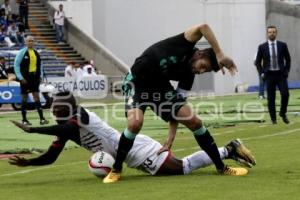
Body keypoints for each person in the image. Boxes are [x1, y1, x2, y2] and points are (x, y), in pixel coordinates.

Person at [104, 23, 243, 183]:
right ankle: (116, 169)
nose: (201, 71)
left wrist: (170, 139)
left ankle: (221, 167)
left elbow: (176, 110)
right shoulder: (184, 43)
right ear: (199, 54)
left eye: (205, 71)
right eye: (203, 66)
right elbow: (204, 27)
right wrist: (220, 54)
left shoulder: (189, 75)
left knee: (194, 121)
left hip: (160, 88)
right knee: (135, 123)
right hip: (137, 81)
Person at [9, 92, 256, 178]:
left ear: (67, 108)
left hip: (136, 150)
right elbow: (52, 156)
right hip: (129, 153)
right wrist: (29, 162)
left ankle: (228, 150)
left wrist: (33, 129)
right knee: (183, 167)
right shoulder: (67, 126)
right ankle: (228, 150)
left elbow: (64, 128)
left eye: (56, 107)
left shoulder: (80, 116)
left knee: (184, 168)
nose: (53, 111)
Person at [255, 26, 291, 124]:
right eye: (270, 32)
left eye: (273, 32)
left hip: (281, 75)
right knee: (271, 98)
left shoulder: (282, 45)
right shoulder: (262, 47)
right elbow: (257, 62)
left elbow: (288, 59)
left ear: (276, 33)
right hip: (269, 75)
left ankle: (283, 113)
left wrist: (286, 71)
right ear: (267, 34)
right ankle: (273, 119)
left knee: (285, 94)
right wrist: (262, 72)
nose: (272, 34)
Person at [14, 35, 49, 125]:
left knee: (36, 97)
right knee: (24, 98)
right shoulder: (22, 52)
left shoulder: (36, 52)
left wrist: (40, 76)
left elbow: (40, 65)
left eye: (32, 41)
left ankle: (42, 119)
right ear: (25, 42)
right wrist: (20, 78)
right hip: (25, 78)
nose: (30, 42)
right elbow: (16, 65)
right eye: (28, 41)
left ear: (34, 42)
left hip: (34, 78)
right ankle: (24, 120)